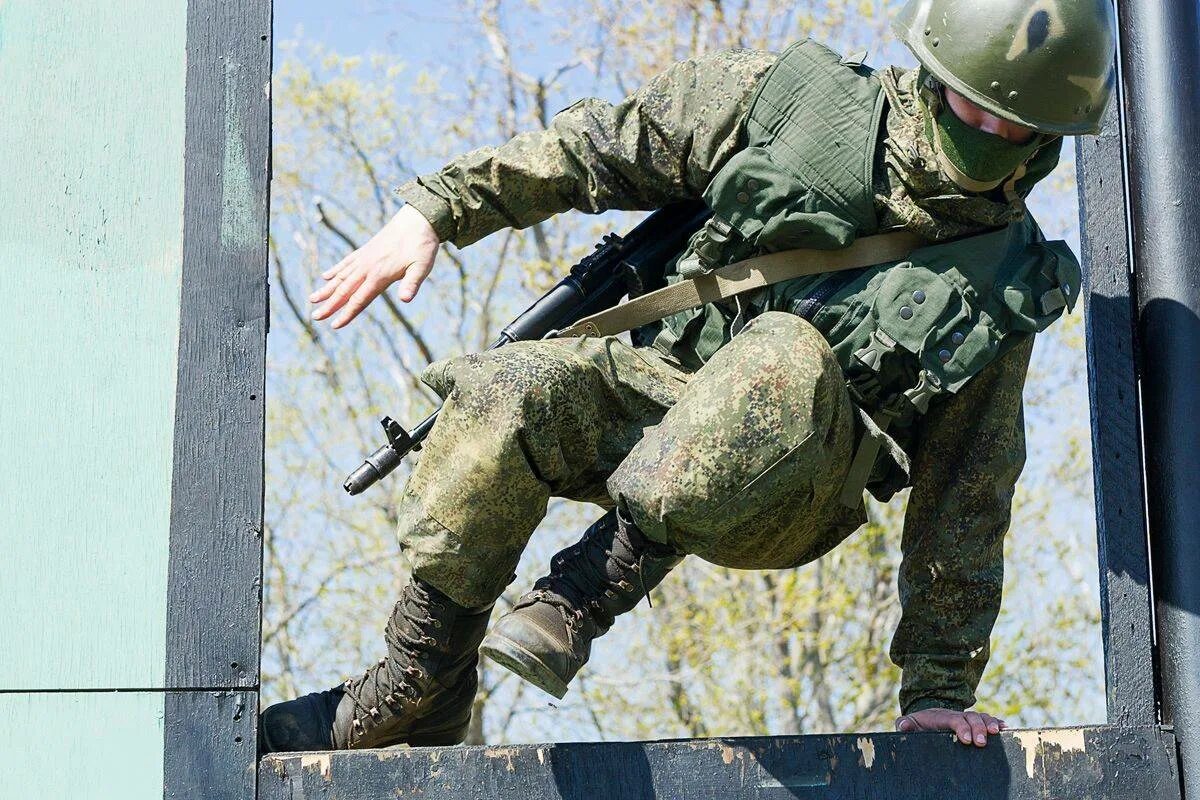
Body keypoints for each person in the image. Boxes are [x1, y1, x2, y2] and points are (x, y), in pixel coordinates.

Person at [259, 0, 1116, 754]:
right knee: (506, 387)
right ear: (935, 76)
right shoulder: (799, 101)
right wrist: (439, 209)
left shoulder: (1004, 278)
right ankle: (417, 686)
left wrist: (938, 691)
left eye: (1021, 127)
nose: (995, 137)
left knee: (785, 351)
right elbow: (603, 146)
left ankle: (578, 597)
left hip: (788, 491)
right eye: (980, 107)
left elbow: (969, 494)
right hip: (649, 391)